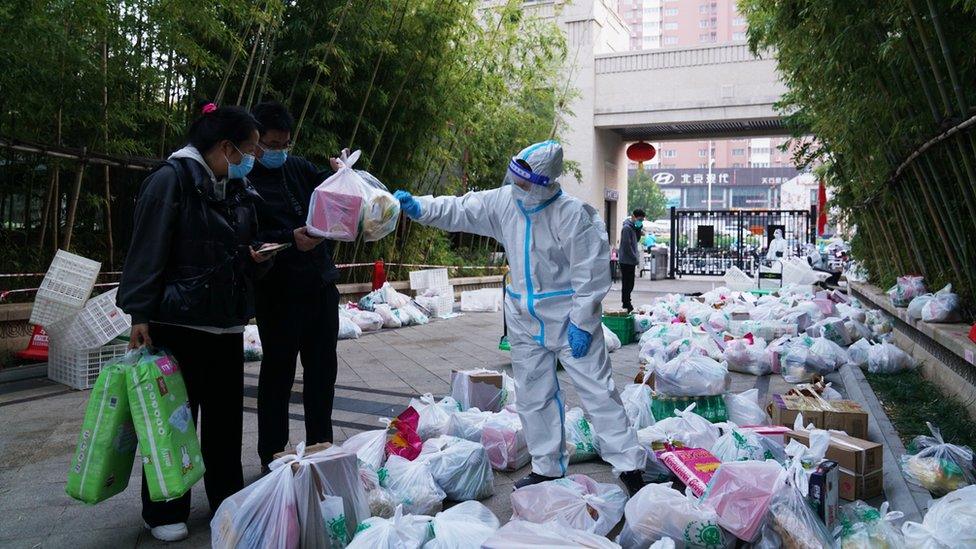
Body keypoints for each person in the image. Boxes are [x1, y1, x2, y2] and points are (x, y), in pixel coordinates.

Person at [393, 140, 647, 495]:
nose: (517, 186)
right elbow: (463, 209)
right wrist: (420, 207)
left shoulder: (573, 215)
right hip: (524, 317)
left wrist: (583, 319)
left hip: (568, 317)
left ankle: (630, 465)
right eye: (515, 178)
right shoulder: (505, 202)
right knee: (533, 393)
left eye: (524, 182)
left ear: (545, 181)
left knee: (598, 393)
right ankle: (546, 466)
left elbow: (591, 273)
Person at [117, 102, 272, 542]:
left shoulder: (236, 189)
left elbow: (237, 248)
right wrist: (140, 314)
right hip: (178, 324)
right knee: (172, 421)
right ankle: (163, 509)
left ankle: (225, 496)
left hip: (225, 326)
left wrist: (258, 258)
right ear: (225, 147)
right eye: (249, 150)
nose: (252, 159)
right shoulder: (171, 180)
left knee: (224, 423)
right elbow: (147, 249)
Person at [247, 102, 343, 469]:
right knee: (278, 376)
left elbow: (330, 191)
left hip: (320, 285)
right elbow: (249, 238)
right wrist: (289, 239)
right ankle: (272, 456)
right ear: (255, 141)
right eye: (272, 145)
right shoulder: (243, 179)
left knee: (322, 374)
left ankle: (323, 449)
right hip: (278, 292)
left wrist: (341, 173)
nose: (279, 152)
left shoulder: (297, 166)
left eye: (285, 144)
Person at [618, 209, 646, 312]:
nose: (640, 221)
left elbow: (637, 240)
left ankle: (627, 302)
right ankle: (626, 304)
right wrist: (634, 258)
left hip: (631, 261)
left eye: (642, 220)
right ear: (633, 216)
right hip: (626, 260)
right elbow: (626, 246)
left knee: (630, 283)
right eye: (639, 219)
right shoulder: (626, 228)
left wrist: (638, 229)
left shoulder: (634, 228)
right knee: (627, 283)